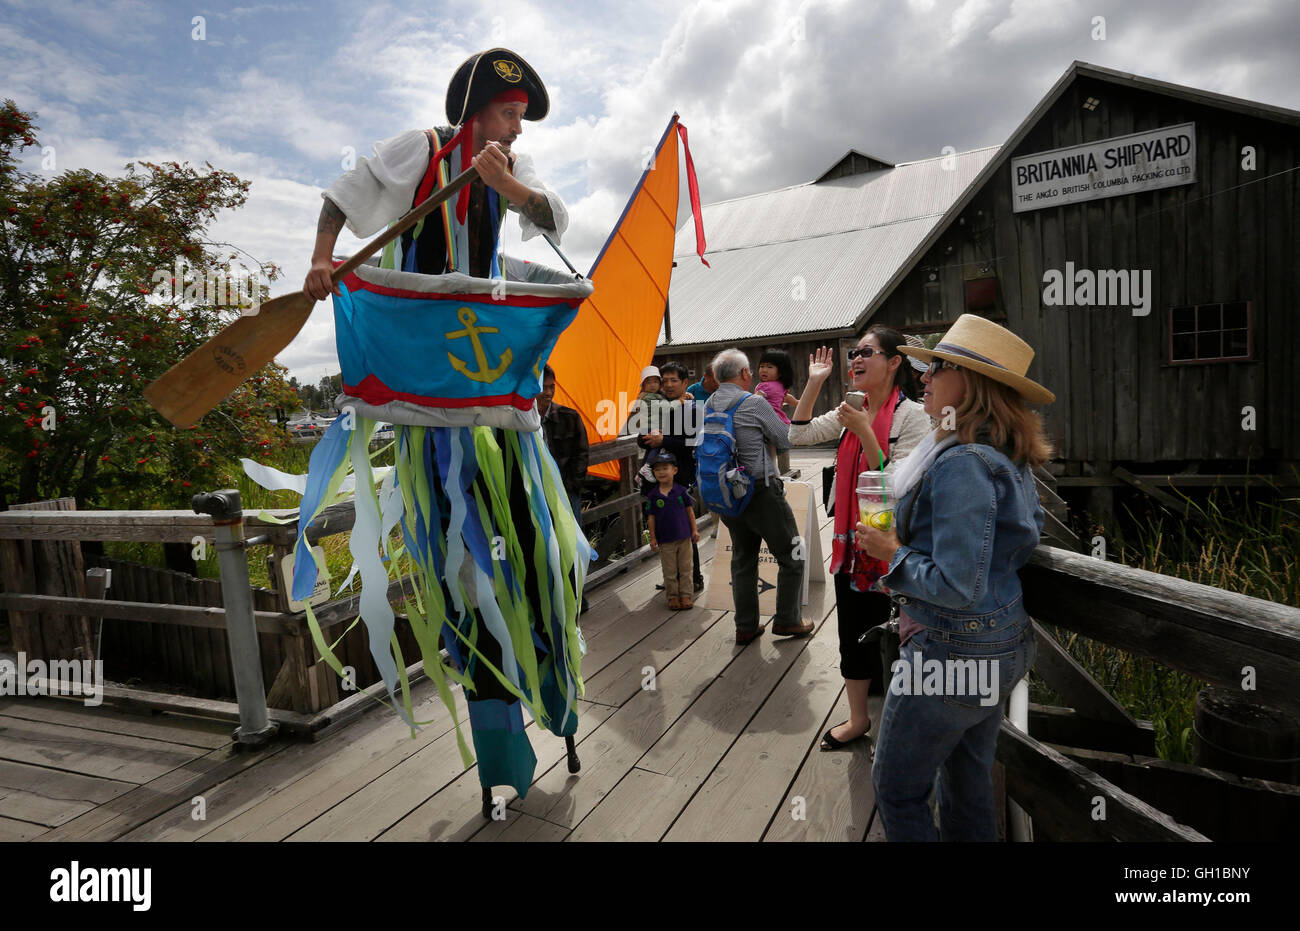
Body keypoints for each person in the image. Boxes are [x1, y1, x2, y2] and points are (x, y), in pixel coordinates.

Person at [296, 48, 586, 800]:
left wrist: (507, 185)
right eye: (507, 114)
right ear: (474, 111)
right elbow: (344, 190)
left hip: (487, 399)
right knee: (462, 572)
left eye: (522, 118)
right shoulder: (420, 149)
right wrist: (323, 259)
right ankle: (497, 746)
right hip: (428, 397)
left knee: (533, 552)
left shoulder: (505, 173)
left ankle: (554, 696)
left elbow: (555, 220)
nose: (516, 128)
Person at [856, 314, 1055, 842]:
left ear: (969, 383)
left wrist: (892, 551)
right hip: (1002, 643)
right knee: (967, 777)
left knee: (897, 788)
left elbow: (955, 584)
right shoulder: (1003, 451)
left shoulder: (962, 461)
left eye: (936, 367)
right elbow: (1019, 541)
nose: (923, 376)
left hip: (951, 650)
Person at [788, 326, 931, 751]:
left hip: (892, 543)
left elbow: (897, 483)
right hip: (851, 540)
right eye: (853, 353)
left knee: (897, 629)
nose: (855, 360)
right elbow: (798, 435)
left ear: (893, 362)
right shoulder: (853, 407)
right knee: (853, 624)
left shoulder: (913, 415)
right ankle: (857, 718)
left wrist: (867, 431)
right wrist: (814, 382)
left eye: (866, 352)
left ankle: (903, 718)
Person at [706, 348, 810, 645]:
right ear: (744, 374)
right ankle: (788, 620)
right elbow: (785, 438)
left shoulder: (710, 403)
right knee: (792, 556)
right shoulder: (753, 402)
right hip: (761, 490)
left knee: (743, 559)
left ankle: (746, 626)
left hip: (727, 492)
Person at [637, 361, 705, 592]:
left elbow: (693, 442)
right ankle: (672, 578)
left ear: (685, 383)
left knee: (684, 528)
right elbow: (639, 438)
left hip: (680, 476)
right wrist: (648, 437)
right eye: (664, 380)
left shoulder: (692, 408)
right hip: (656, 478)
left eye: (673, 380)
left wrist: (663, 440)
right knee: (664, 527)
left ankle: (693, 577)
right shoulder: (657, 405)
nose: (667, 385)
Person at [538, 364, 589, 613]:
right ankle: (552, 600)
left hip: (566, 493)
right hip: (535, 494)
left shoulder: (569, 416)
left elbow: (582, 454)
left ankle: (578, 597)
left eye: (551, 387)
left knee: (572, 544)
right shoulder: (521, 421)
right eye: (543, 387)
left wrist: (572, 487)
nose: (548, 392)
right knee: (543, 546)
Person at [646, 450, 700, 610]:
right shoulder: (653, 496)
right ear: (654, 473)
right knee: (669, 570)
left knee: (686, 568)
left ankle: (686, 595)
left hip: (684, 537)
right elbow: (651, 518)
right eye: (657, 469)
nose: (661, 472)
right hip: (665, 540)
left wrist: (694, 530)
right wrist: (653, 538)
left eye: (665, 468)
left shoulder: (681, 491)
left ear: (674, 470)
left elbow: (690, 511)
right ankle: (673, 596)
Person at [754, 348, 800, 475]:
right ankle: (779, 474)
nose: (764, 370)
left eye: (769, 367)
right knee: (774, 454)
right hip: (780, 423)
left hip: (767, 423)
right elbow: (787, 398)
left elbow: (756, 400)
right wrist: (798, 403)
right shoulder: (780, 385)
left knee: (768, 456)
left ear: (780, 372)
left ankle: (773, 476)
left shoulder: (764, 386)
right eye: (762, 366)